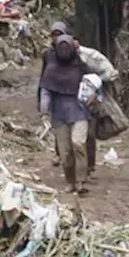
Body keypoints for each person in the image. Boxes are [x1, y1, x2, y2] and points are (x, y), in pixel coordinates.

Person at [39, 34, 92, 193]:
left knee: (78, 143)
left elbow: (94, 85)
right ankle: (70, 182)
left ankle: (82, 181)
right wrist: (44, 111)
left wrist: (94, 95)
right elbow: (46, 92)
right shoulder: (51, 70)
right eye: (61, 48)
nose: (64, 51)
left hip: (80, 112)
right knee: (65, 152)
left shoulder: (82, 68)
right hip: (59, 115)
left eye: (67, 47)